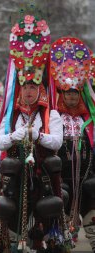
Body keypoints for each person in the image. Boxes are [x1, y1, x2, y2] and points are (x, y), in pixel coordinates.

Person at [0, 15, 67, 252]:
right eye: (25, 87)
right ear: (19, 89)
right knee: (11, 216)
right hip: (15, 176)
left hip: (42, 175)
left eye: (34, 87)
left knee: (44, 219)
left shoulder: (50, 114)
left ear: (40, 88)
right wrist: (15, 135)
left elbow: (58, 141)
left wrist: (38, 136)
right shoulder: (12, 116)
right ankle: (13, 243)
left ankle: (42, 244)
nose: (29, 92)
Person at [50, 37, 95, 252]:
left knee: (90, 206)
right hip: (63, 173)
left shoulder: (88, 117)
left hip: (86, 172)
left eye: (74, 93)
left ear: (80, 94)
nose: (71, 97)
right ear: (62, 94)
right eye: (67, 93)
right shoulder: (55, 117)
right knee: (63, 205)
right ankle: (64, 239)